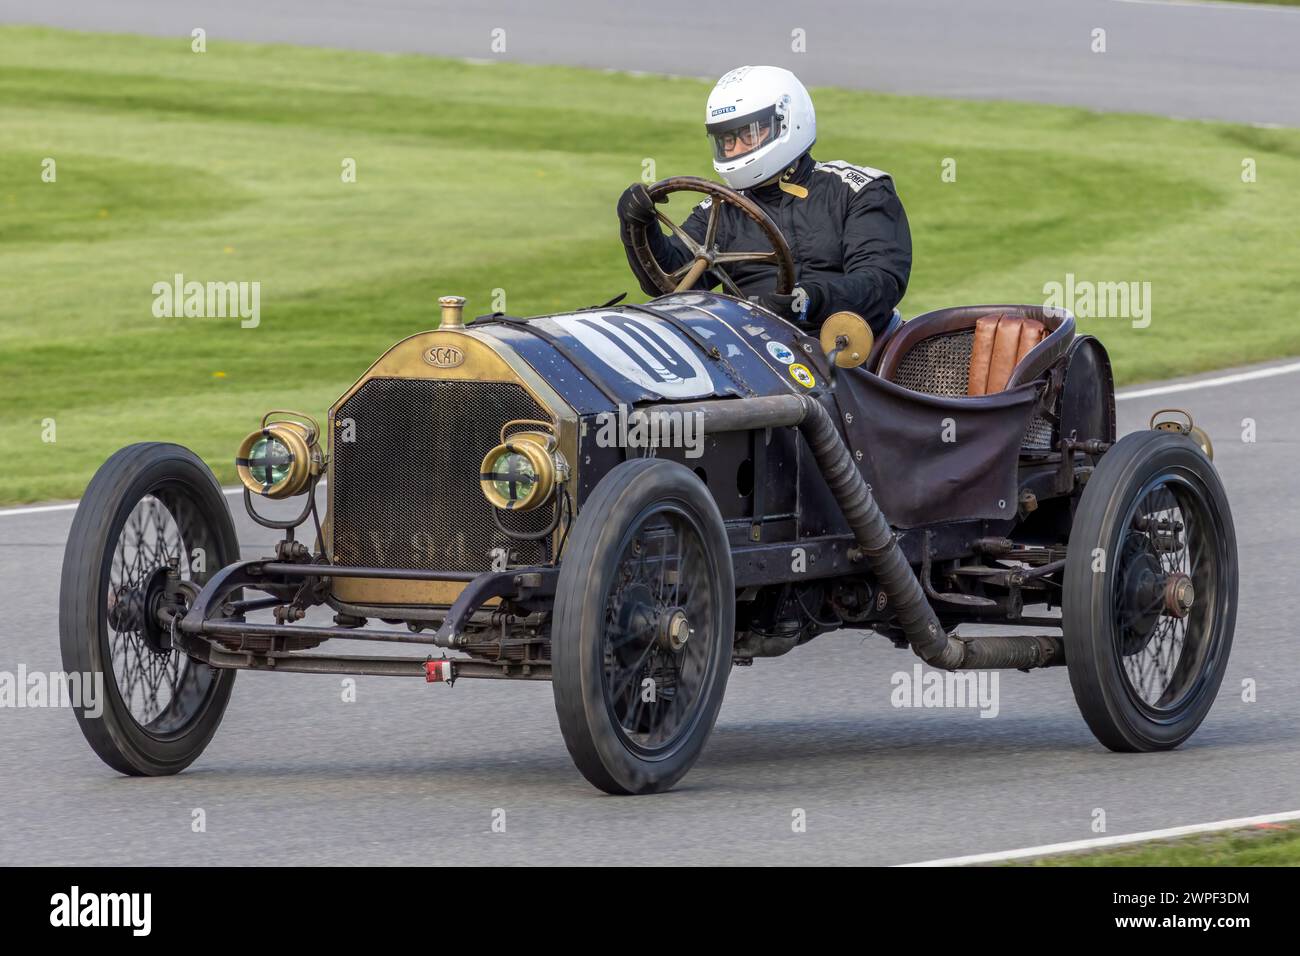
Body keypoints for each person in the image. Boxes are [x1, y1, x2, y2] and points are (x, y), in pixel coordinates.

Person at [617, 65, 912, 335]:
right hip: (753, 349)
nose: (735, 149)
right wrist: (639, 227)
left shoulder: (857, 190)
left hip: (843, 348)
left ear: (787, 121)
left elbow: (880, 281)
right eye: (727, 140)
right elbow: (670, 283)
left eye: (749, 134)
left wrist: (808, 299)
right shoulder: (721, 208)